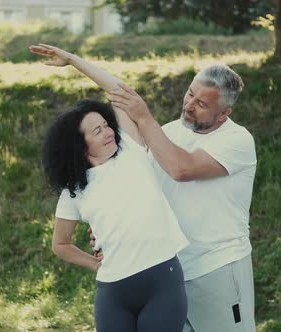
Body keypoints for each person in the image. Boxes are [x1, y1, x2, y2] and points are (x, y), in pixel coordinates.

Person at [30, 44, 189, 332]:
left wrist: (73, 60)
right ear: (80, 146)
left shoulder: (130, 149)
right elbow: (61, 245)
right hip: (113, 292)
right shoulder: (74, 190)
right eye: (97, 130)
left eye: (106, 125)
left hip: (162, 281)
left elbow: (120, 91)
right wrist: (95, 264)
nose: (108, 132)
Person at [109, 65, 257, 332]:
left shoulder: (238, 140)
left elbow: (181, 169)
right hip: (169, 272)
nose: (189, 105)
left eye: (201, 103)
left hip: (217, 268)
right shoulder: (169, 132)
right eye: (190, 94)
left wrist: (144, 119)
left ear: (224, 113)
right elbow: (143, 193)